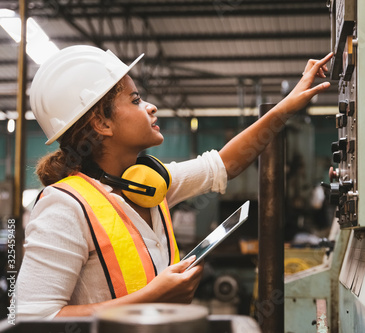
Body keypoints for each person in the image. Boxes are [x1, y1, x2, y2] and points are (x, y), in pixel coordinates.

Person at [16, 45, 332, 319]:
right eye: (136, 100)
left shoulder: (149, 186)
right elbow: (33, 320)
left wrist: (286, 106)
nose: (150, 106)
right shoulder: (65, 207)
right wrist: (153, 296)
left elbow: (224, 164)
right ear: (101, 123)